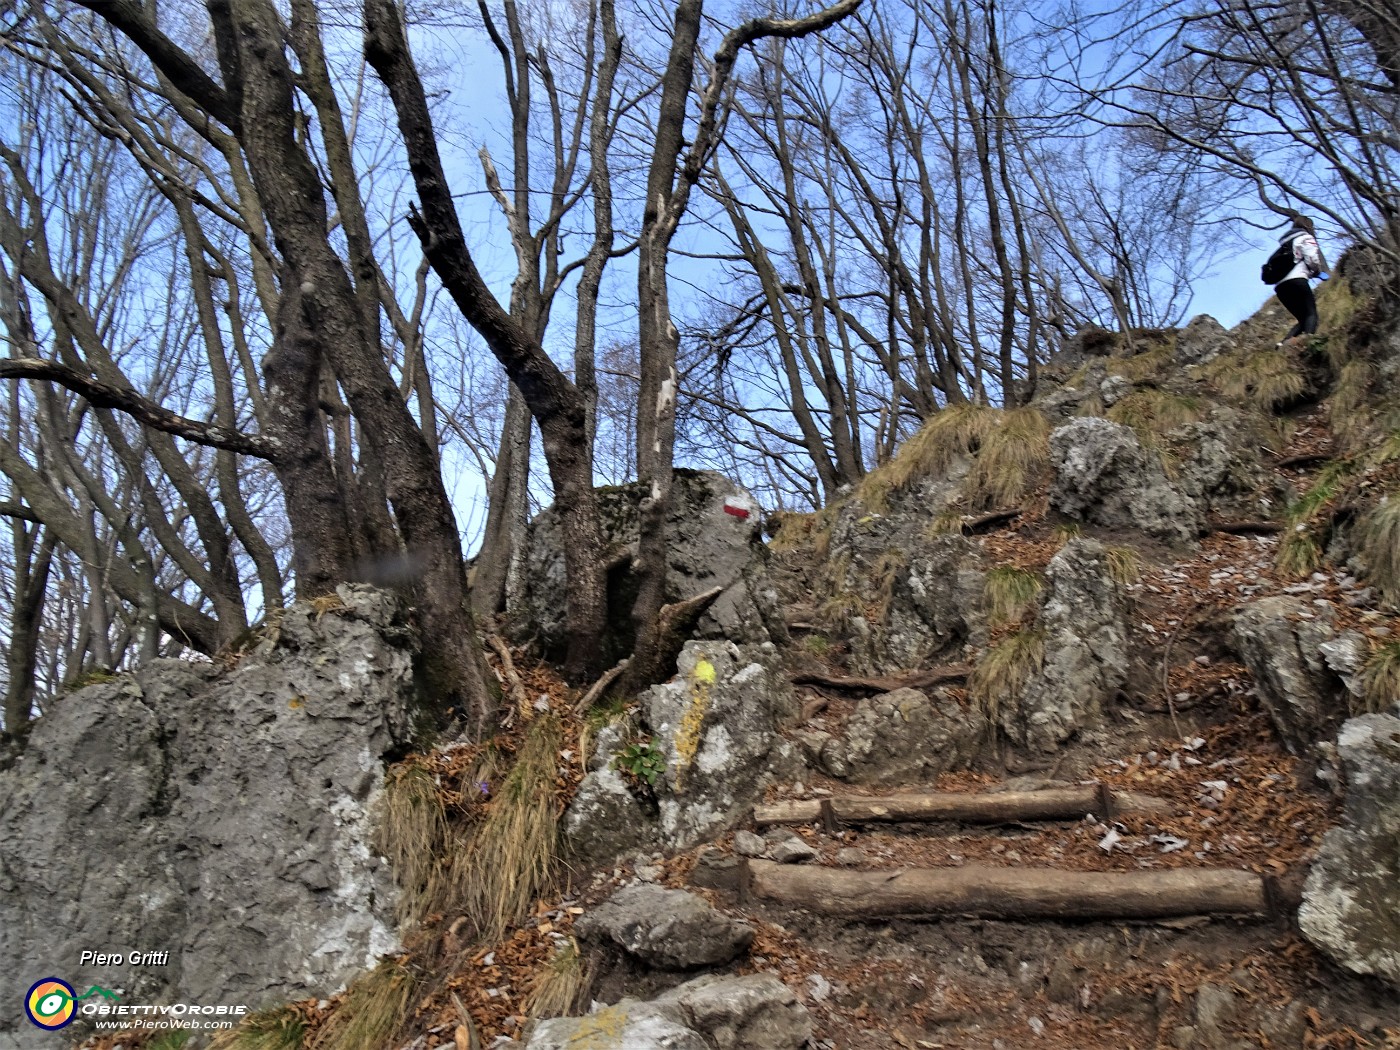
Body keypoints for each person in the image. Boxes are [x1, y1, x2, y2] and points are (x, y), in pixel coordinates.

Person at [1273, 214, 1328, 348]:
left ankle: (1282, 344)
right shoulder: (1306, 237)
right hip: (1297, 281)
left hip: (1280, 287)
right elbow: (1312, 259)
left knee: (1303, 318)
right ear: (1308, 226)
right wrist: (1317, 272)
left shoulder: (1283, 245)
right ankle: (1309, 344)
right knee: (1311, 314)